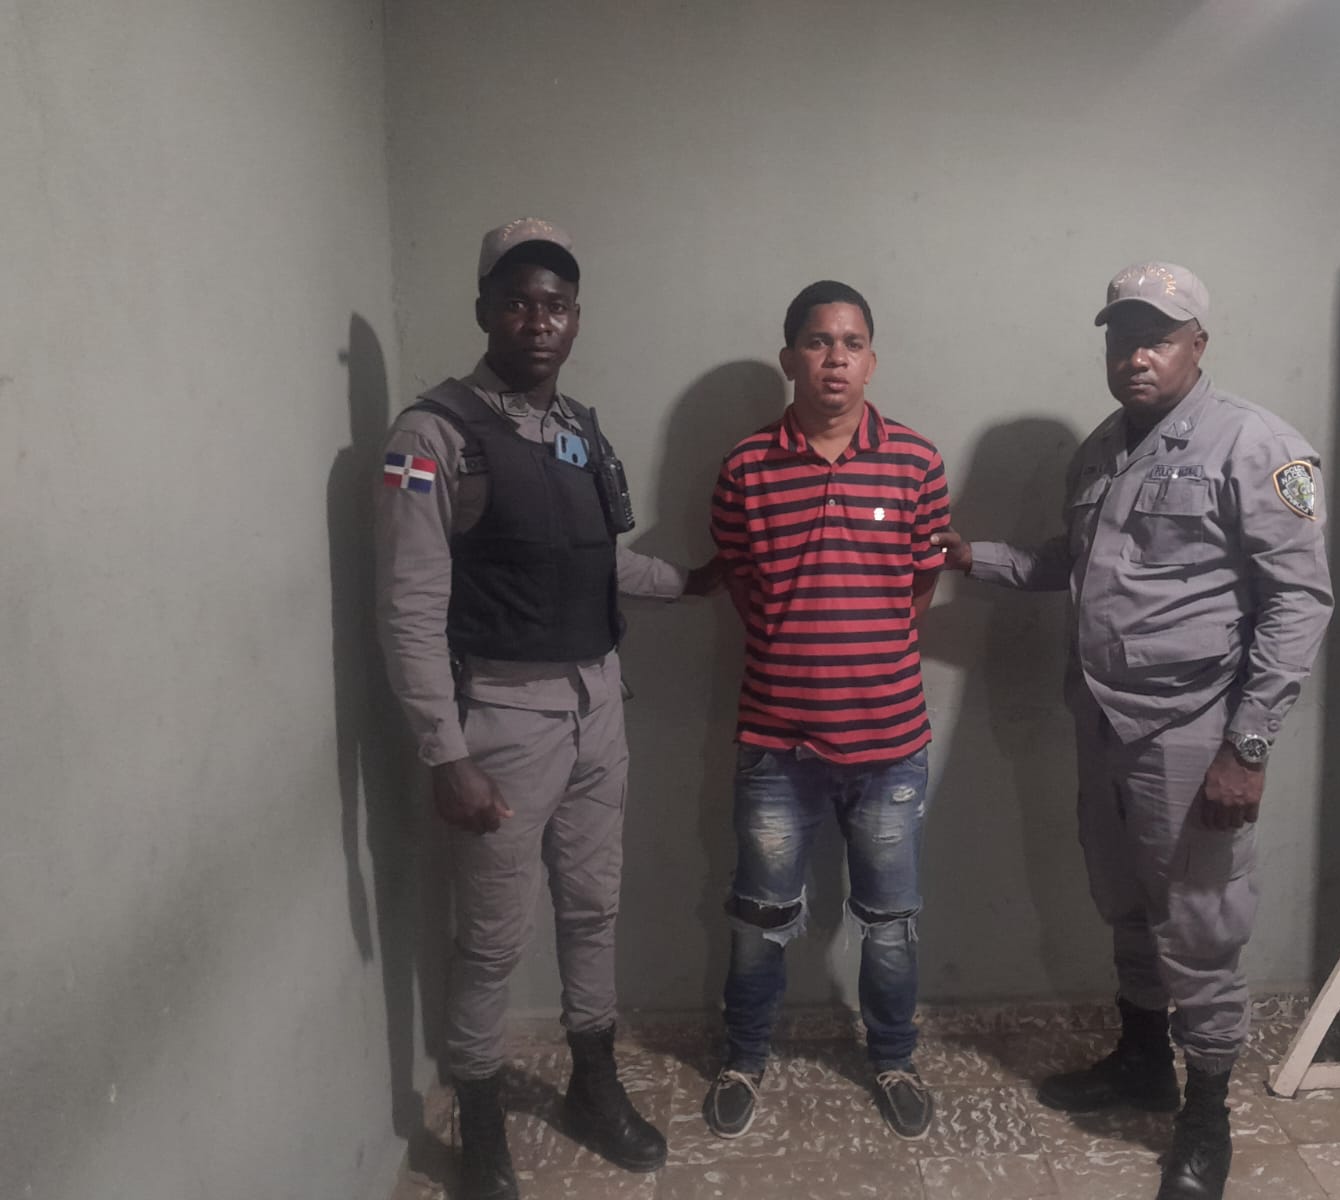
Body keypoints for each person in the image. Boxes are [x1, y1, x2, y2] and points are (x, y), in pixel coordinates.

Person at [933, 262, 1333, 1200]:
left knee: (1199, 923)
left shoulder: (1256, 446)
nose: (1136, 356)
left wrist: (1247, 748)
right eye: (1122, 339)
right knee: (1125, 902)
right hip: (1104, 718)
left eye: (1157, 338)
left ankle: (1206, 1117)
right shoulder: (1103, 450)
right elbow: (1072, 564)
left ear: (1199, 343)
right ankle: (1144, 1060)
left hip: (1195, 731)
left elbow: (1300, 603)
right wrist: (972, 556)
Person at [374, 218, 719, 1199]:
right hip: (501, 717)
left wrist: (688, 581)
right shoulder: (433, 436)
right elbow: (408, 606)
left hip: (597, 703)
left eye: (556, 305)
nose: (538, 321)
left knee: (593, 908)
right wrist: (445, 754)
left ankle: (592, 1084)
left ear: (575, 318)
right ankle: (482, 1124)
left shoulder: (576, 429)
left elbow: (594, 560)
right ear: (485, 310)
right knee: (491, 940)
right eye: (519, 302)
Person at [701, 281, 951, 1142]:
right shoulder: (745, 467)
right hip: (777, 744)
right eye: (817, 342)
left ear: (871, 360)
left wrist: (867, 653)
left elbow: (921, 581)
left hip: (890, 745)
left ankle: (894, 1058)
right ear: (790, 358)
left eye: (850, 343)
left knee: (891, 924)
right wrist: (799, 651)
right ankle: (744, 1056)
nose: (834, 358)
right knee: (759, 919)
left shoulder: (916, 462)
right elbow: (740, 579)